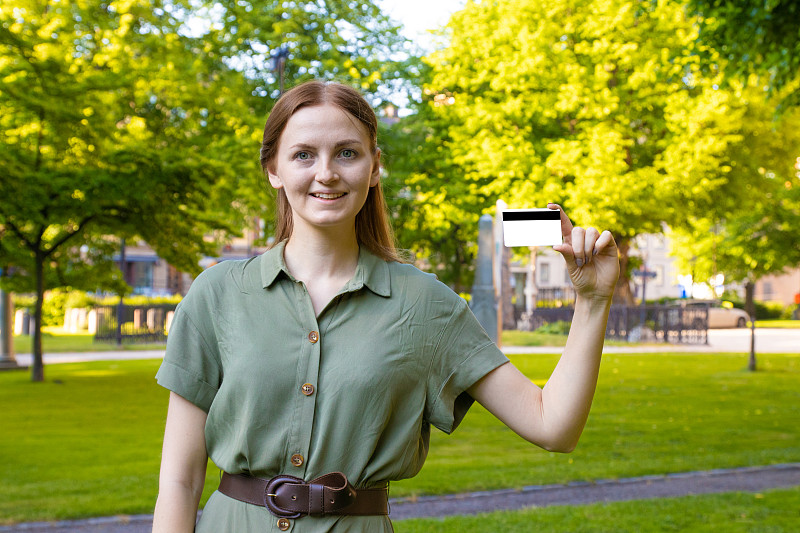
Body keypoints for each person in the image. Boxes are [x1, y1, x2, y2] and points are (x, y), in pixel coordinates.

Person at [152, 80, 620, 533]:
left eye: (347, 153)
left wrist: (593, 302)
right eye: (303, 155)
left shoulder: (426, 304)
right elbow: (180, 479)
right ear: (273, 168)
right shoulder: (217, 294)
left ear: (374, 167)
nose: (327, 173)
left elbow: (552, 425)